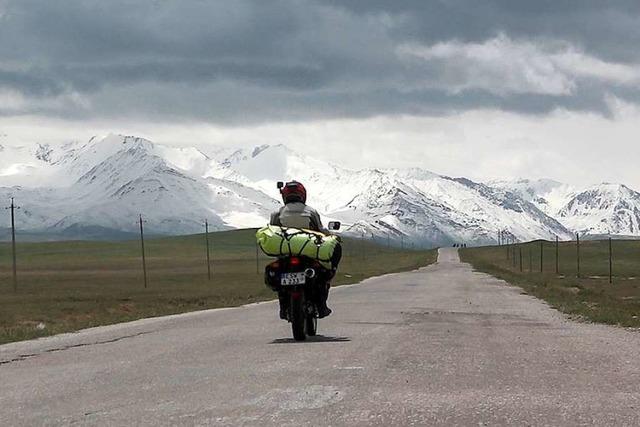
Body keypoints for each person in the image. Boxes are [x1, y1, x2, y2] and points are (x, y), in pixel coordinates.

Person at [270, 180, 338, 319]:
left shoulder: (277, 213)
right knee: (324, 276)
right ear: (303, 194)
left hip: (286, 255)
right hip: (308, 254)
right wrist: (331, 236)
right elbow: (320, 230)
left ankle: (283, 307)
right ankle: (321, 306)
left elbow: (273, 232)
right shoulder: (311, 211)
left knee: (279, 277)